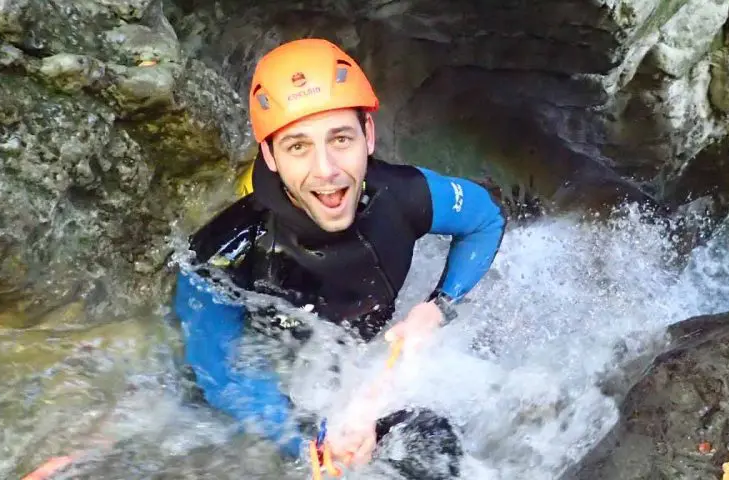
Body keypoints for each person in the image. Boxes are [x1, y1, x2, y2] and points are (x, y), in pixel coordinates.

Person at [171, 38, 506, 477]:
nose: (326, 169)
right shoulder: (223, 254)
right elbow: (219, 375)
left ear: (368, 135)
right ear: (269, 156)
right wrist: (316, 436)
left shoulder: (402, 194)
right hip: (271, 403)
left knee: (430, 441)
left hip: (353, 367)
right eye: (298, 147)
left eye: (340, 138)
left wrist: (438, 307)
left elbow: (484, 220)